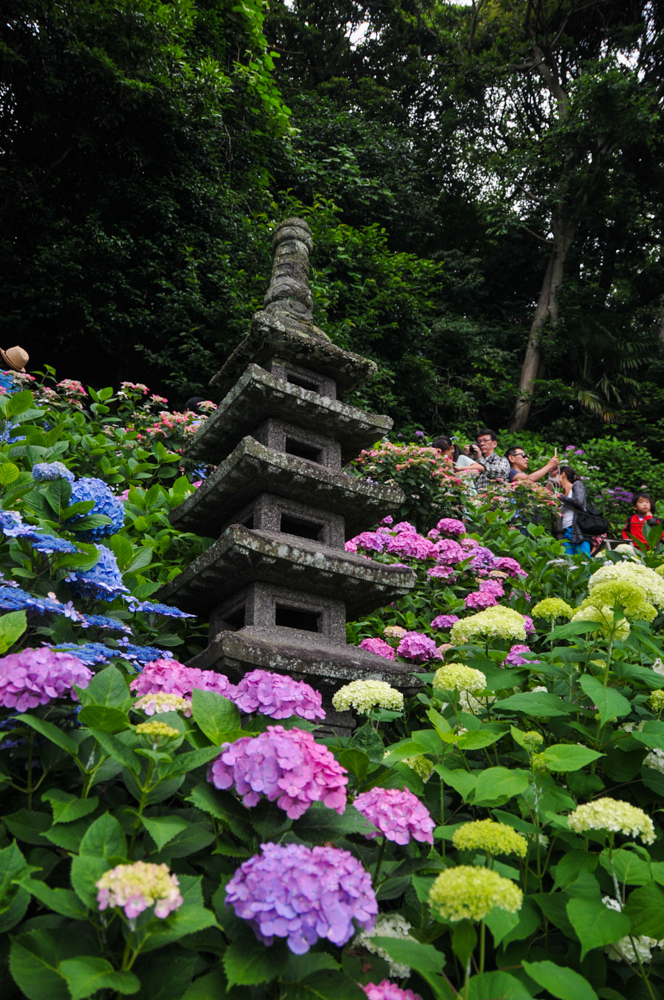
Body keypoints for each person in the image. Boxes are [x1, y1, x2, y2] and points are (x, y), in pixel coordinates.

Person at [559, 465, 591, 556]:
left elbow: (579, 501)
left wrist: (561, 497)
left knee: (584, 562)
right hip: (566, 532)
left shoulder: (577, 484)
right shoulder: (562, 493)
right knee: (570, 566)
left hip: (577, 531)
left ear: (563, 474)